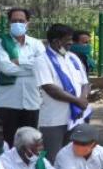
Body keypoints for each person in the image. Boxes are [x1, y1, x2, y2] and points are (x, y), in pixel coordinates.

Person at [33, 24, 90, 161]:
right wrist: (77, 101)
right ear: (56, 41)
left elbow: (85, 82)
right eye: (68, 40)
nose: (71, 43)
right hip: (54, 119)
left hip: (76, 117)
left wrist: (83, 98)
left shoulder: (73, 58)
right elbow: (50, 88)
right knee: (53, 158)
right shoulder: (42, 60)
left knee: (74, 158)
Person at [0, 7, 45, 146]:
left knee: (31, 144)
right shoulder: (1, 43)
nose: (17, 23)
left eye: (21, 21)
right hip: (7, 102)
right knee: (7, 144)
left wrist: (19, 61)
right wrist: (31, 68)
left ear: (28, 22)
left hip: (32, 102)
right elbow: (6, 68)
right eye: (14, 21)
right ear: (9, 23)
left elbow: (43, 66)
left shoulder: (36, 44)